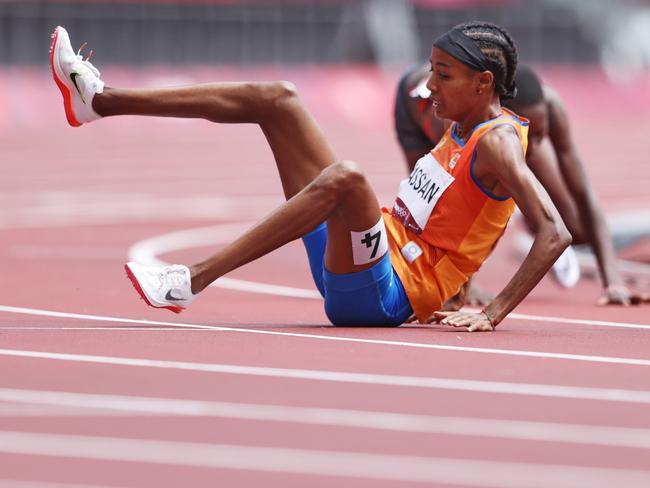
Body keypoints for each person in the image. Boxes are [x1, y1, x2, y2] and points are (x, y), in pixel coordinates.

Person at [50, 21, 573, 332]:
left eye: (443, 75)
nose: (430, 85)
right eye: (430, 70)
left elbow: (554, 232)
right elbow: (455, 216)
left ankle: (189, 281)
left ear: (484, 84)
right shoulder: (462, 122)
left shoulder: (499, 141)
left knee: (348, 177)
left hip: (384, 294)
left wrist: (492, 312)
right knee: (278, 98)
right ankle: (98, 101)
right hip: (364, 254)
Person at [395, 62, 648, 306]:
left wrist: (613, 282)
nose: (535, 146)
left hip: (500, 136)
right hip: (415, 114)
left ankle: (526, 216)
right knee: (429, 215)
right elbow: (452, 214)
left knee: (575, 228)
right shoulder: (462, 124)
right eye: (528, 136)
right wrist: (463, 282)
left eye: (541, 134)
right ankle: (512, 203)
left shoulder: (548, 104)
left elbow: (583, 192)